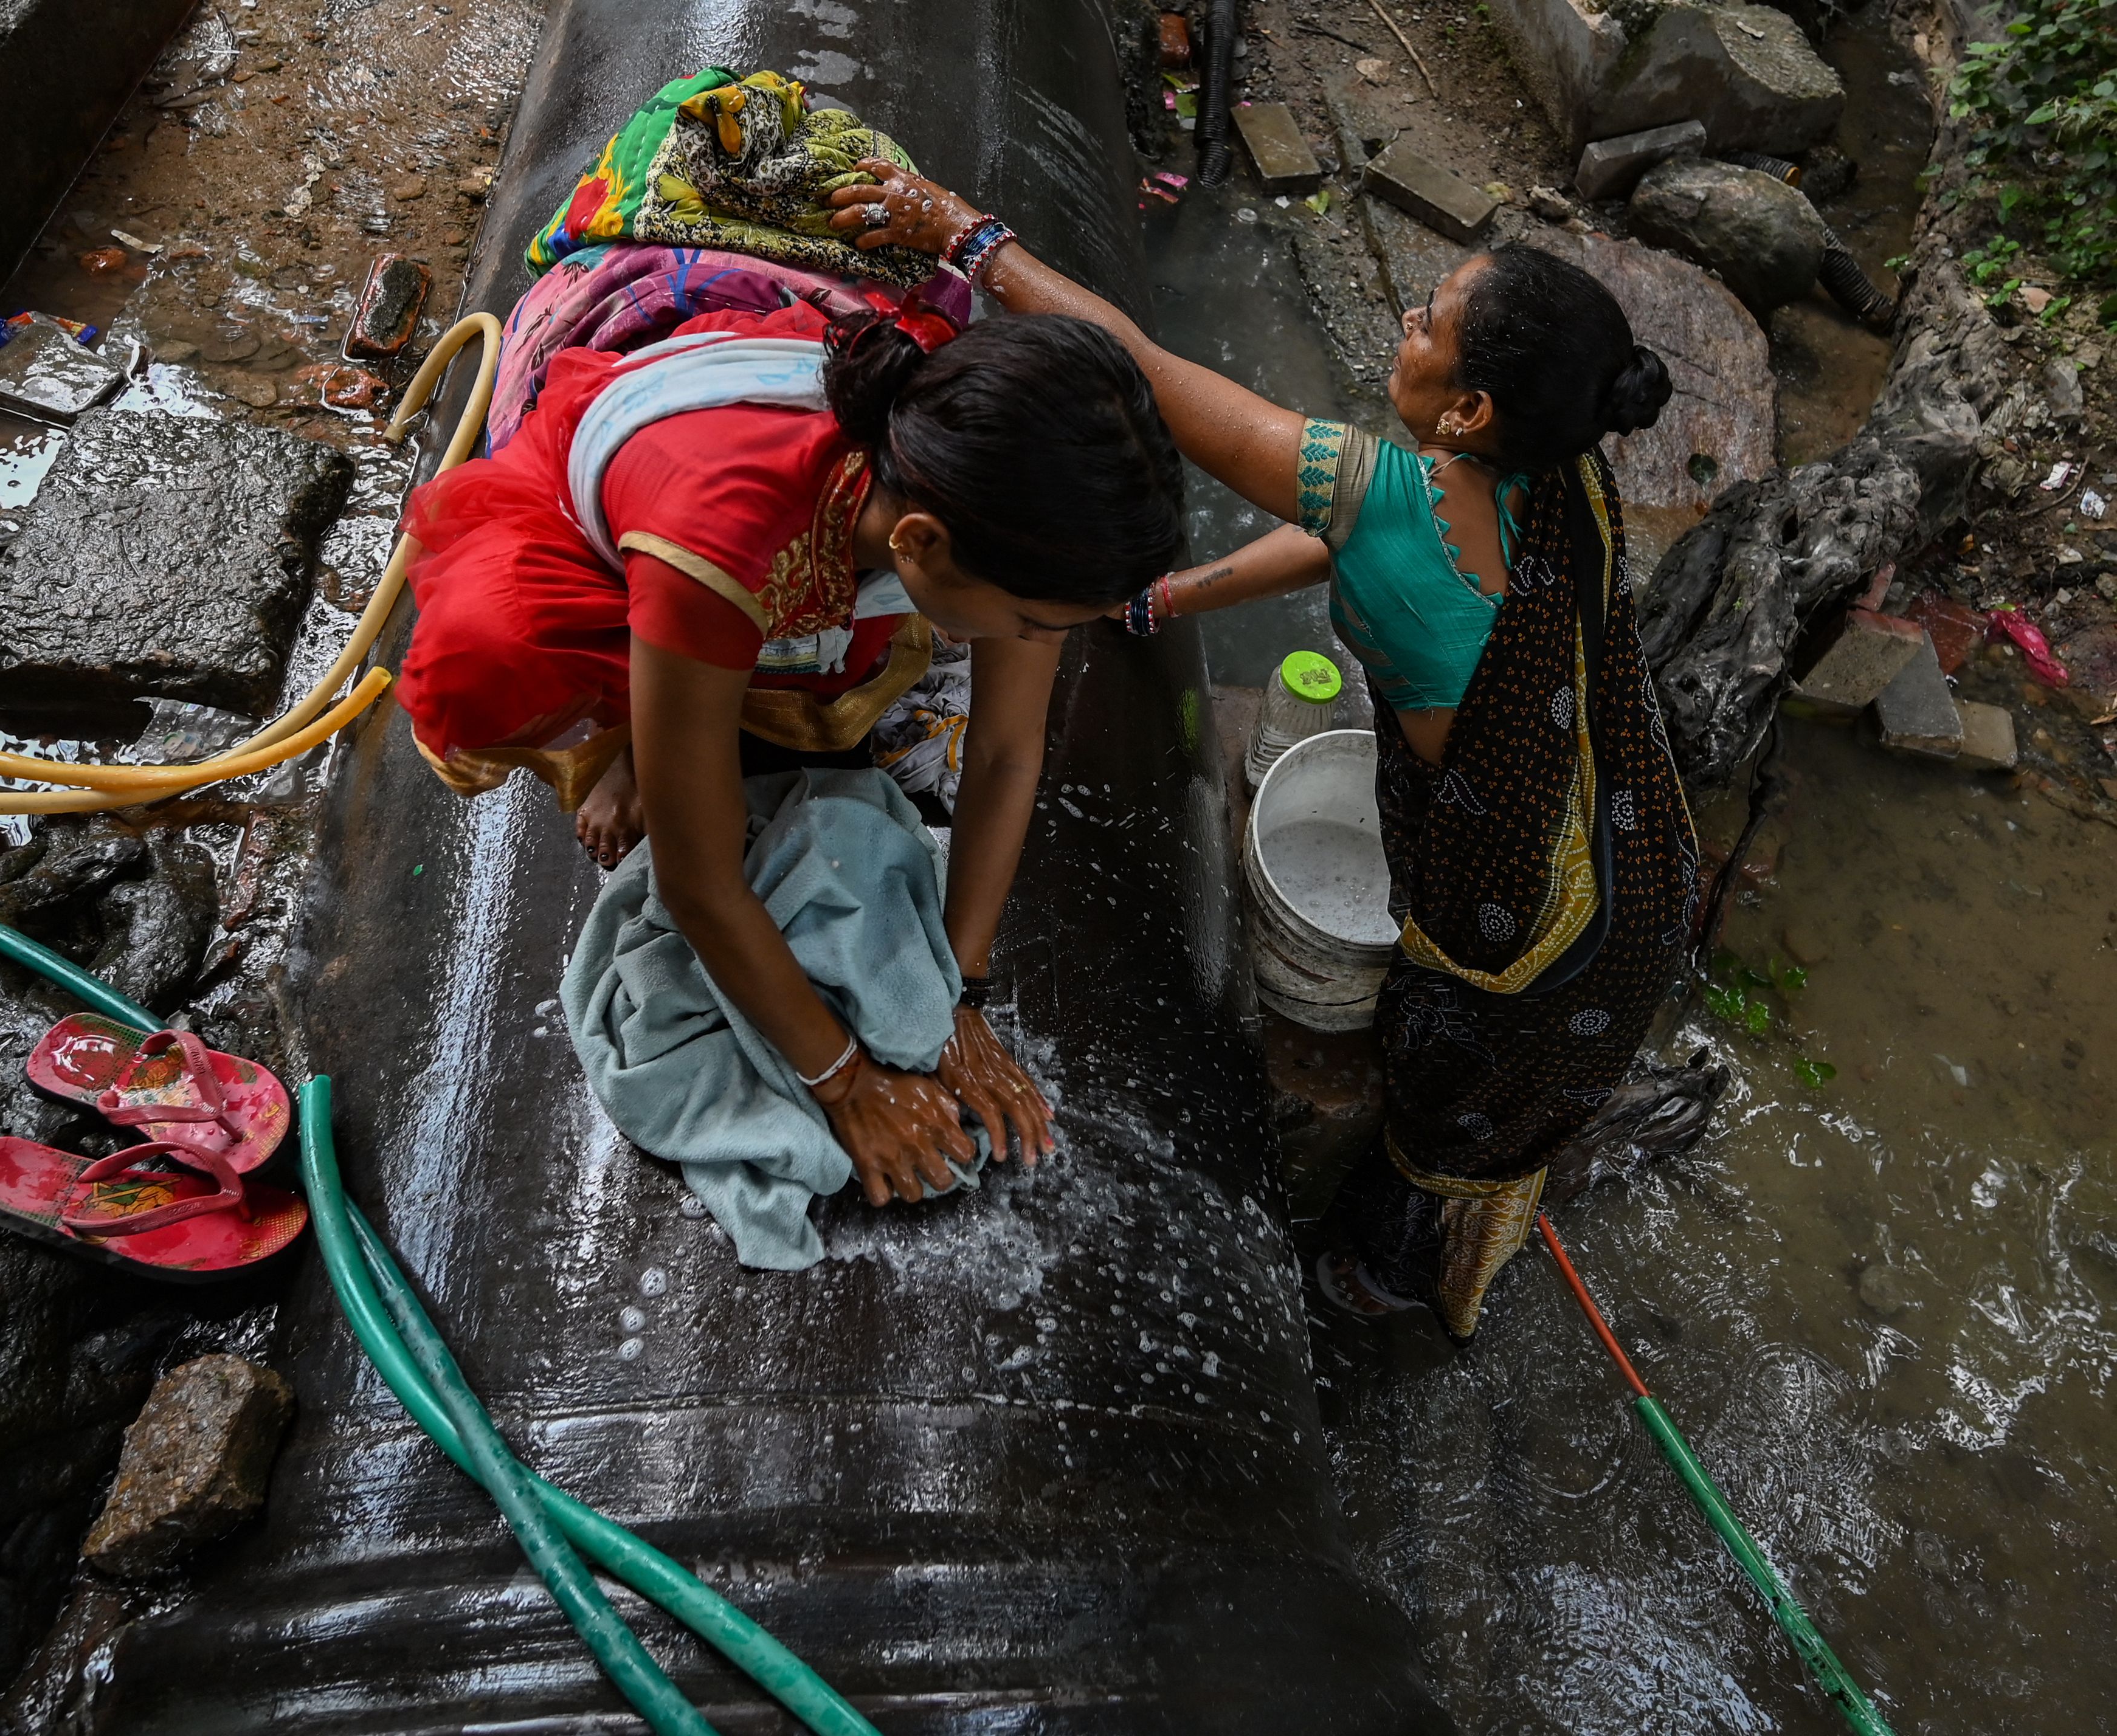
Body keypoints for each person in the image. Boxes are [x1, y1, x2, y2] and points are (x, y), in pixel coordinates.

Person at [831, 170, 1696, 1339]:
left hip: (1528, 949)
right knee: (1497, 1079)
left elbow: (1136, 364)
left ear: (1471, 413)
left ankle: (1375, 1278)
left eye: (1428, 321)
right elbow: (1349, 535)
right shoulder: (1555, 469)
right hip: (1620, 853)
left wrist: (969, 239)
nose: (1407, 325)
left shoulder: (1395, 501)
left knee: (1441, 1105)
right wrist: (1167, 597)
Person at [393, 293, 1189, 1213]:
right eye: (1028, 622)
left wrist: (956, 994)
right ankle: (634, 737)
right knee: (515, 656)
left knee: (816, 678)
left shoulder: (965, 466)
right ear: (919, 544)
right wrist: (847, 1082)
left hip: (758, 543)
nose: (1032, 641)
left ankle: (685, 709)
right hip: (620, 548)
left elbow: (1010, 753)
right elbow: (697, 884)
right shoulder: (723, 544)